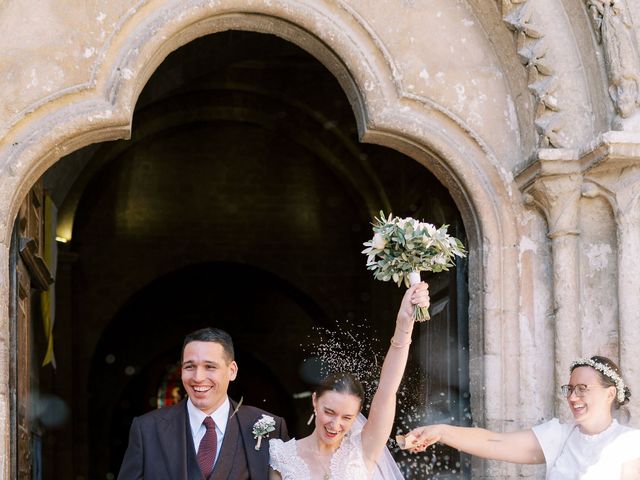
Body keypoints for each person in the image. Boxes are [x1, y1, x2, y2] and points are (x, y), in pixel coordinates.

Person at [269, 282, 430, 479]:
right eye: (329, 412)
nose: (335, 425)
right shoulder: (282, 456)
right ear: (314, 401)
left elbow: (387, 390)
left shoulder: (363, 450)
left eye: (346, 417)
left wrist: (405, 323)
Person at [402, 355, 640, 479]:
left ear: (610, 393)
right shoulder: (559, 436)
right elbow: (494, 442)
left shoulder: (630, 443)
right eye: (569, 389)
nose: (573, 397)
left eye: (582, 389)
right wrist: (441, 431)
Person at [118, 327, 289, 480]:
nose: (198, 377)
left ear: (232, 371)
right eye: (189, 366)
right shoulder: (146, 429)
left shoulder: (271, 429)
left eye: (210, 367)